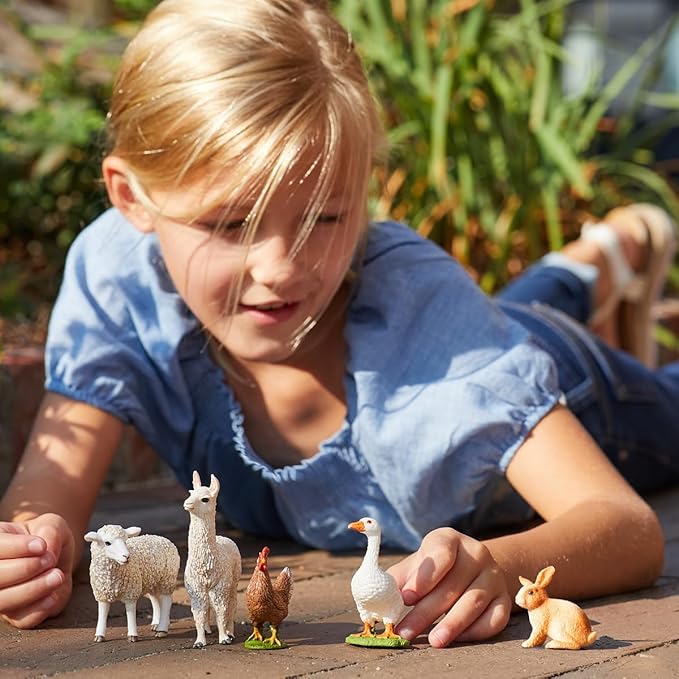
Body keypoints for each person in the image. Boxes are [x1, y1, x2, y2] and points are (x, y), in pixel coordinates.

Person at [1, 0, 678, 649]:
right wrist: (33, 550)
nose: (279, 268)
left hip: (575, 384)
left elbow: (627, 527)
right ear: (131, 198)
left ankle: (599, 257)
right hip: (478, 332)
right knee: (512, 309)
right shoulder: (119, 276)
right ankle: (596, 257)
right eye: (230, 224)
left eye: (325, 217)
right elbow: (43, 503)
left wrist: (502, 563)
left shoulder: (428, 321)